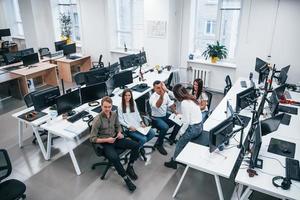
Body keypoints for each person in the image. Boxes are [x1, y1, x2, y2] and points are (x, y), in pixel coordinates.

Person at [90, 96, 139, 192]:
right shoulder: (97, 120)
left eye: (109, 107)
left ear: (112, 106)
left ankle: (130, 166)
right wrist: (106, 140)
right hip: (106, 143)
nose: (107, 109)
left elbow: (118, 126)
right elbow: (92, 139)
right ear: (101, 106)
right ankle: (126, 179)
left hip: (116, 139)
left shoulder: (114, 115)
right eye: (105, 107)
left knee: (136, 145)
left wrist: (120, 132)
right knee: (114, 158)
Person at [164, 84, 203, 169]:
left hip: (193, 129)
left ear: (178, 95)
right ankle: (182, 158)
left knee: (179, 144)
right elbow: (190, 115)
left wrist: (180, 133)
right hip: (200, 126)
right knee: (183, 141)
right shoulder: (191, 98)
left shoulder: (184, 103)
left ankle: (174, 162)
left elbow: (187, 122)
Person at [118, 89, 156, 158]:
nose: (127, 97)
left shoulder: (133, 103)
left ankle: (138, 148)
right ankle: (137, 149)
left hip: (138, 126)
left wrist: (141, 122)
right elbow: (120, 120)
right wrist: (129, 126)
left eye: (129, 95)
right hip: (130, 129)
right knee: (143, 139)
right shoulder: (120, 107)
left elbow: (137, 114)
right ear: (123, 96)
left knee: (153, 133)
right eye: (125, 95)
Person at [149, 80, 181, 155]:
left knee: (179, 121)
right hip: (155, 118)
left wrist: (175, 113)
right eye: (158, 88)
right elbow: (157, 105)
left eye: (161, 87)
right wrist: (162, 96)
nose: (160, 89)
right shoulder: (152, 97)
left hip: (164, 115)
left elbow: (170, 104)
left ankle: (172, 138)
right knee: (165, 127)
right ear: (154, 88)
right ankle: (159, 145)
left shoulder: (165, 94)